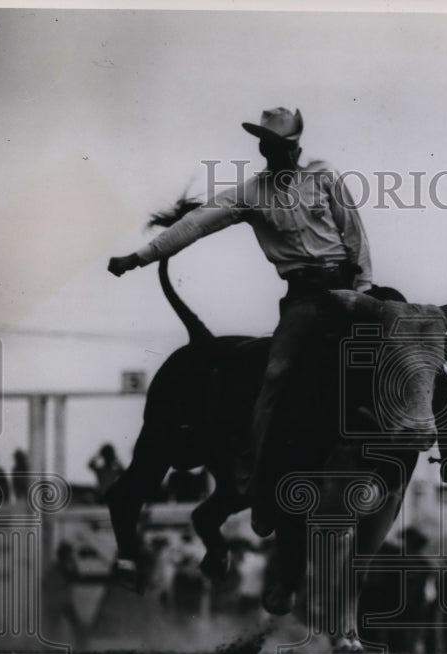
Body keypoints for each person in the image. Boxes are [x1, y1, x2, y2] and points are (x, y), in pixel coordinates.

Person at [107, 108, 372, 536]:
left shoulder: (325, 178)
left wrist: (364, 289)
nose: (281, 153)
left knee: (408, 343)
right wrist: (139, 258)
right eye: (273, 146)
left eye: (287, 146)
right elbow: (195, 223)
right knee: (276, 372)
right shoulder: (250, 194)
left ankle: (432, 439)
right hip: (303, 300)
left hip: (350, 292)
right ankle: (255, 471)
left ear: (297, 148)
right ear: (263, 148)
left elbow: (354, 235)